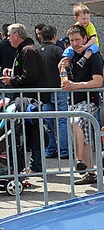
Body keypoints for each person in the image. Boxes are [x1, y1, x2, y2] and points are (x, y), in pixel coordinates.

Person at [60, 24, 104, 185]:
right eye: (71, 40)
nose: (75, 43)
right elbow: (62, 76)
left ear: (85, 39)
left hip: (89, 100)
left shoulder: (94, 56)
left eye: (77, 39)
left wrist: (75, 86)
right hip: (74, 100)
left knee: (76, 122)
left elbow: (98, 81)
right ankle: (90, 172)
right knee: (84, 136)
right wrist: (62, 67)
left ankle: (80, 161)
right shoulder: (70, 56)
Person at [1, 23, 47, 174]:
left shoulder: (28, 50)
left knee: (34, 132)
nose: (7, 38)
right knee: (25, 132)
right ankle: (25, 166)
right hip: (25, 99)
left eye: (9, 35)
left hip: (30, 100)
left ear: (16, 35)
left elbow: (31, 76)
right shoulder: (23, 49)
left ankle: (36, 166)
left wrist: (11, 81)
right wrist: (12, 72)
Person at [39, 25, 69, 159]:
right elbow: (64, 70)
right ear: (54, 36)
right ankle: (64, 151)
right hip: (59, 89)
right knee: (62, 120)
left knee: (47, 122)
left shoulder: (37, 51)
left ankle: (50, 149)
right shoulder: (58, 50)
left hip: (43, 92)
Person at [61, 3, 100, 69]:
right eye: (84, 19)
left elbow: (93, 38)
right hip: (83, 44)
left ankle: (84, 59)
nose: (86, 21)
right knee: (69, 49)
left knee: (90, 50)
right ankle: (66, 59)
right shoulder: (76, 26)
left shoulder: (90, 26)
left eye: (88, 18)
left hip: (92, 43)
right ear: (76, 18)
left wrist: (85, 47)